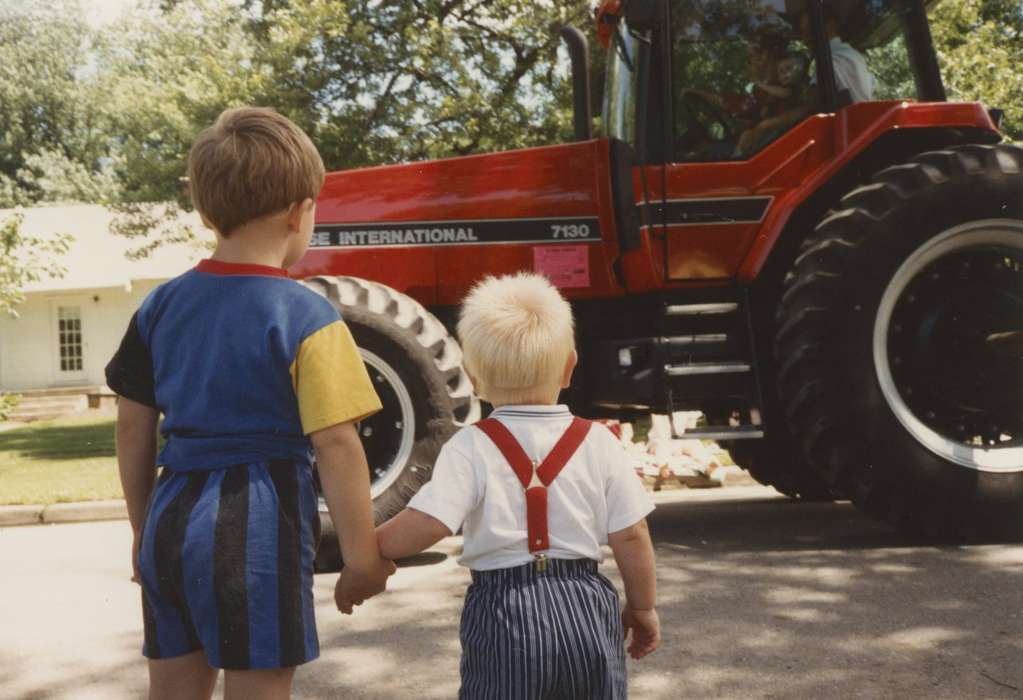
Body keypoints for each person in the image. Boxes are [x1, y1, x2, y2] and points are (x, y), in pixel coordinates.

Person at [106, 106, 396, 700]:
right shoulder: (307, 314)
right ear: (299, 213)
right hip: (257, 525)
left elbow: (133, 428)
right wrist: (362, 556)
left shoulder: (160, 307)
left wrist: (142, 531)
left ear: (208, 213)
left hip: (170, 515)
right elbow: (337, 443)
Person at [376, 272, 660, 699]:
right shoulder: (599, 442)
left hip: (504, 611)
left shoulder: (470, 445)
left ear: (473, 378)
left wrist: (371, 545)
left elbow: (428, 523)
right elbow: (632, 534)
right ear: (569, 367)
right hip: (587, 605)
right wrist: (642, 606)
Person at [738, 4, 875, 154]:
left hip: (849, 143)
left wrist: (767, 125)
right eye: (803, 32)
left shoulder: (835, 59)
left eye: (810, 29)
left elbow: (811, 107)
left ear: (831, 24)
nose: (805, 38)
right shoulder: (846, 55)